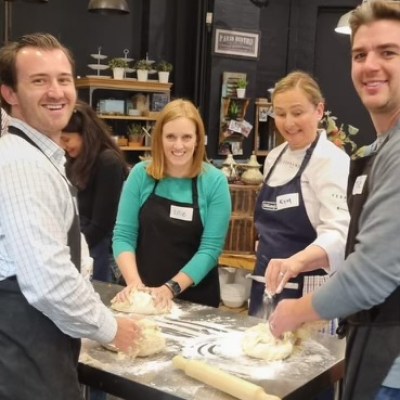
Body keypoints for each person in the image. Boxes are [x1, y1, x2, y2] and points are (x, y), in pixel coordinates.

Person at [269, 2, 400, 399]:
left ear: (319, 111)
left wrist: (297, 311)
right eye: (360, 55)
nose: (370, 65)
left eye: (389, 52)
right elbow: (363, 247)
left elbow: (372, 275)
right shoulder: (381, 148)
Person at [0, 33, 141, 400]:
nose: (56, 91)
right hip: (23, 365)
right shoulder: (21, 164)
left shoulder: (41, 155)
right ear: (10, 93)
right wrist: (110, 328)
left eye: (63, 79)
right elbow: (48, 281)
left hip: (39, 349)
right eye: (38, 81)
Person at [248, 71, 350, 337]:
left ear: (319, 110)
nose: (288, 123)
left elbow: (339, 234)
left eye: (297, 112)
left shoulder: (331, 161)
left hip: (308, 291)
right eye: (280, 114)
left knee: (304, 369)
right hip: (266, 284)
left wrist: (296, 262)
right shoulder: (274, 157)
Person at [113, 99, 232, 308]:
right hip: (141, 294)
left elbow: (211, 249)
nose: (178, 145)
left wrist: (170, 289)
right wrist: (135, 285)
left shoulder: (214, 182)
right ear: (159, 138)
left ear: (198, 140)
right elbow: (124, 236)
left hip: (195, 301)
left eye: (186, 137)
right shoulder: (141, 175)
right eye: (170, 137)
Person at [61, 100, 129, 283]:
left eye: (67, 139)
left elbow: (102, 224)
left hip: (97, 249)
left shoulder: (108, 162)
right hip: (79, 244)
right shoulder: (73, 160)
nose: (63, 146)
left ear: (85, 133)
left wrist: (74, 248)